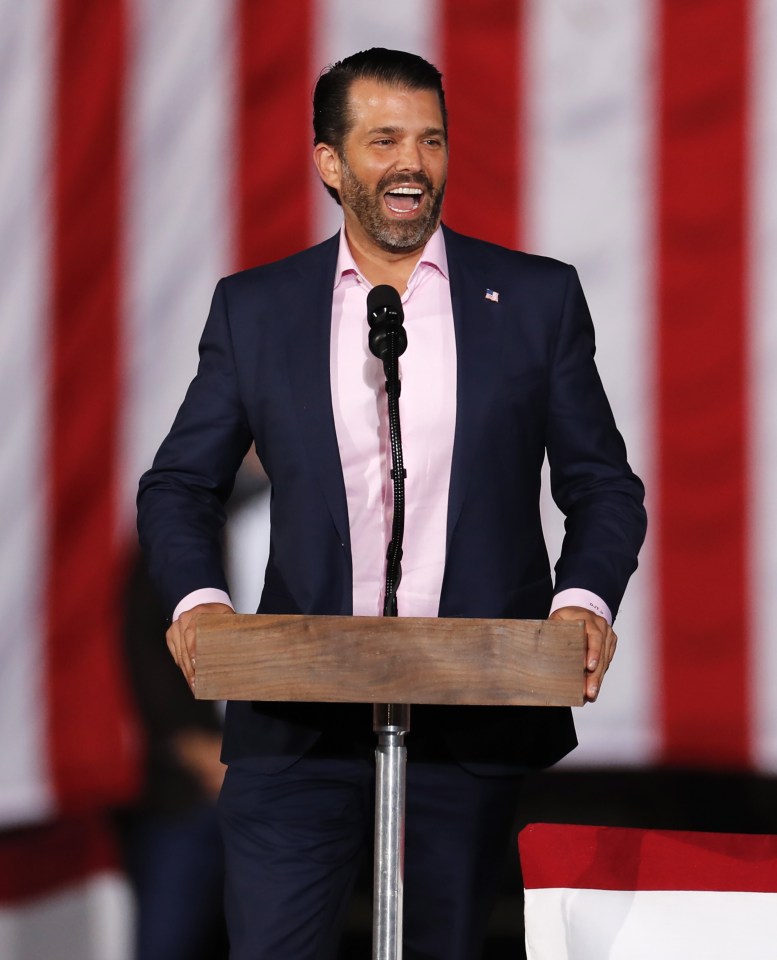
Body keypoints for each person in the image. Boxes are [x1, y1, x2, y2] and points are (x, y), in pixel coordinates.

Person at [137, 48, 647, 960]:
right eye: (382, 141)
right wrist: (197, 604)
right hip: (294, 716)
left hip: (473, 709)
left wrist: (581, 605)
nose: (411, 162)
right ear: (331, 163)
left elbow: (602, 485)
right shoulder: (256, 309)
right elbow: (179, 482)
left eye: (429, 140)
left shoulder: (533, 299)